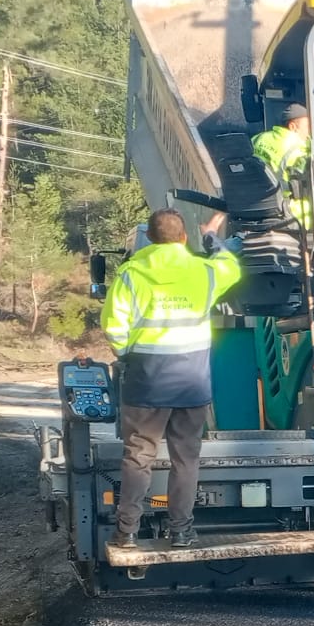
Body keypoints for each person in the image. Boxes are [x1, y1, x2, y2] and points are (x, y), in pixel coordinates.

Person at [101, 208, 240, 549]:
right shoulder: (204, 271)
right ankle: (181, 531)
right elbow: (231, 266)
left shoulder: (131, 274)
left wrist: (125, 353)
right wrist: (210, 236)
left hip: (146, 379)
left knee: (138, 456)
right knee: (185, 458)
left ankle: (127, 532)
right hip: (191, 379)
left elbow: (114, 327)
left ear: (148, 237)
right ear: (183, 238)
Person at [251, 103, 314, 227]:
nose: (309, 132)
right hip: (284, 209)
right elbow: (307, 184)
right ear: (293, 126)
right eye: (307, 127)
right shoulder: (299, 151)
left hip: (253, 203)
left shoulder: (258, 138)